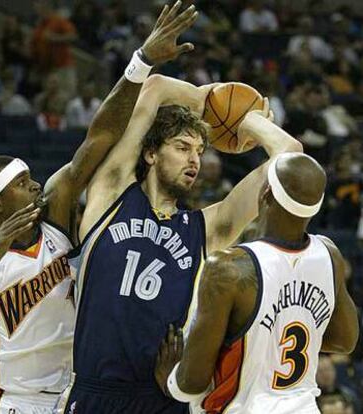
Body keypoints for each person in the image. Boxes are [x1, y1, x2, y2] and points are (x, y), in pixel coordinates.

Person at [0, 3, 197, 412]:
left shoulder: (55, 212)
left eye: (32, 179)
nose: (35, 187)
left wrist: (143, 60)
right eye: (22, 185)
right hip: (14, 403)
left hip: (74, 395)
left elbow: (96, 141)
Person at [60, 38, 302, 414]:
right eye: (182, 147)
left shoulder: (206, 228)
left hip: (162, 397)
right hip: (94, 394)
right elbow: (154, 87)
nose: (195, 160)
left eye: (200, 152)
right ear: (151, 153)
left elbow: (291, 159)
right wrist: (209, 99)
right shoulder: (111, 195)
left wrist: (250, 120)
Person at [156, 153, 359, 414]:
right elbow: (345, 341)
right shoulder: (329, 253)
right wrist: (273, 339)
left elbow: (191, 384)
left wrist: (170, 381)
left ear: (265, 194)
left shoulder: (229, 268)